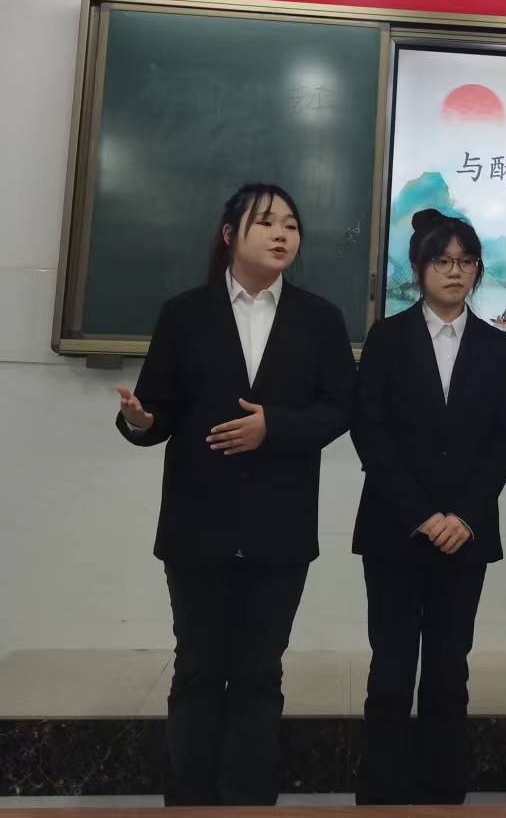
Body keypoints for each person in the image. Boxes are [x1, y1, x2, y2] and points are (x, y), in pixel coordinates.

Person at [114, 183, 355, 807]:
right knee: (197, 670)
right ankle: (190, 804)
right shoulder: (184, 314)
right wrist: (140, 421)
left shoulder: (320, 318)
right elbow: (156, 411)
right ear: (230, 235)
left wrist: (275, 427)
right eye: (267, 223)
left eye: (291, 226)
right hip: (198, 527)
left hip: (280, 527)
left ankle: (249, 804)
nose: (282, 235)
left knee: (259, 674)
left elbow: (341, 409)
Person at [350, 209, 506, 805]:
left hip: (465, 534)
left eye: (466, 261)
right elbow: (370, 433)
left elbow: (504, 441)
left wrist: (464, 516)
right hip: (395, 530)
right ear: (419, 269)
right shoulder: (387, 337)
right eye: (443, 261)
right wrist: (422, 515)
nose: (456, 271)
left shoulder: (496, 347)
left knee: (450, 668)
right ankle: (382, 789)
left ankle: (443, 790)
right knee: (391, 666)